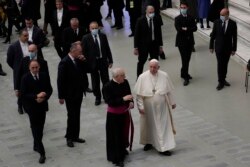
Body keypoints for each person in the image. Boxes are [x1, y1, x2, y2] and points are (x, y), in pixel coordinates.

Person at [134, 59, 176, 156]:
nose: (152, 69)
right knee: (149, 125)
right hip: (148, 107)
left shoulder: (164, 75)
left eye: (154, 67)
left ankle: (164, 147)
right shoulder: (142, 77)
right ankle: (149, 142)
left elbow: (168, 91)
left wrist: (172, 102)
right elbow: (139, 95)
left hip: (162, 107)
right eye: (151, 67)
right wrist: (140, 107)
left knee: (163, 126)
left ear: (158, 67)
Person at [20, 60, 53, 164]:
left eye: (36, 67)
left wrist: (44, 97)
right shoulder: (25, 78)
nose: (35, 69)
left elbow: (49, 89)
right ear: (29, 68)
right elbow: (24, 94)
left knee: (41, 127)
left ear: (39, 67)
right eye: (33, 68)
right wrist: (36, 96)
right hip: (31, 107)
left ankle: (36, 144)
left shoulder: (44, 75)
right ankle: (42, 153)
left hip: (42, 106)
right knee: (35, 128)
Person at [57, 42, 88, 148]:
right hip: (69, 95)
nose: (81, 53)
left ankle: (75, 135)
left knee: (77, 115)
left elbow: (85, 71)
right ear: (73, 51)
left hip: (78, 93)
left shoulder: (78, 60)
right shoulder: (64, 62)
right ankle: (69, 137)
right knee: (71, 116)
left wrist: (84, 61)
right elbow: (60, 80)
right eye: (79, 51)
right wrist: (61, 96)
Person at [103, 68, 134, 167]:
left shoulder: (125, 82)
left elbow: (129, 94)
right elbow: (110, 102)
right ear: (117, 77)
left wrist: (131, 102)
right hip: (114, 116)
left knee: (123, 133)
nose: (125, 77)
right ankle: (117, 158)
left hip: (124, 113)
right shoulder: (107, 86)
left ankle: (122, 150)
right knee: (115, 136)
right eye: (123, 75)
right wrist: (123, 99)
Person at [82, 21, 113, 106]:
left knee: (105, 80)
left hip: (103, 61)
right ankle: (97, 97)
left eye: (96, 28)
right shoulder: (86, 38)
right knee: (95, 82)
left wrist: (110, 60)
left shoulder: (103, 36)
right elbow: (84, 52)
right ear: (89, 29)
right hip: (92, 63)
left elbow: (107, 48)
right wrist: (86, 64)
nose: (94, 30)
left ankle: (106, 96)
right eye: (93, 28)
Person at [209, 8, 237, 91]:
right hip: (218, 47)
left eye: (222, 15)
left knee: (225, 64)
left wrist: (234, 49)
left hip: (228, 48)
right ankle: (220, 81)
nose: (221, 16)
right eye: (220, 15)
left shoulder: (232, 23)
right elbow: (213, 35)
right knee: (220, 64)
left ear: (227, 14)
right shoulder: (216, 22)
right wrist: (211, 46)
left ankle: (223, 79)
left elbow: (234, 37)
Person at [134, 5, 163, 78]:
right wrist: (135, 47)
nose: (151, 13)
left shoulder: (156, 19)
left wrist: (160, 46)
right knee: (141, 62)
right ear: (146, 11)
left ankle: (155, 77)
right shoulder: (140, 20)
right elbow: (136, 35)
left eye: (153, 12)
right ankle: (139, 78)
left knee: (155, 62)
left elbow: (159, 33)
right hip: (143, 45)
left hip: (154, 44)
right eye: (150, 12)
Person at [7, 29, 30, 114]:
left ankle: (27, 104)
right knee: (20, 89)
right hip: (20, 71)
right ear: (19, 36)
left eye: (27, 35)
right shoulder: (13, 47)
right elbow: (9, 60)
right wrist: (16, 68)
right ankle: (20, 105)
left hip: (30, 69)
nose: (27, 37)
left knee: (29, 88)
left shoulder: (30, 43)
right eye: (25, 36)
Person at [175, 1, 197, 86]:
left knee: (187, 58)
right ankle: (186, 76)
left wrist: (186, 29)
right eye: (181, 8)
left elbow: (195, 28)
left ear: (187, 8)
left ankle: (183, 73)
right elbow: (178, 29)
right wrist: (188, 29)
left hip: (190, 42)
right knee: (184, 59)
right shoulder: (177, 18)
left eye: (184, 8)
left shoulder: (191, 17)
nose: (183, 9)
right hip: (181, 42)